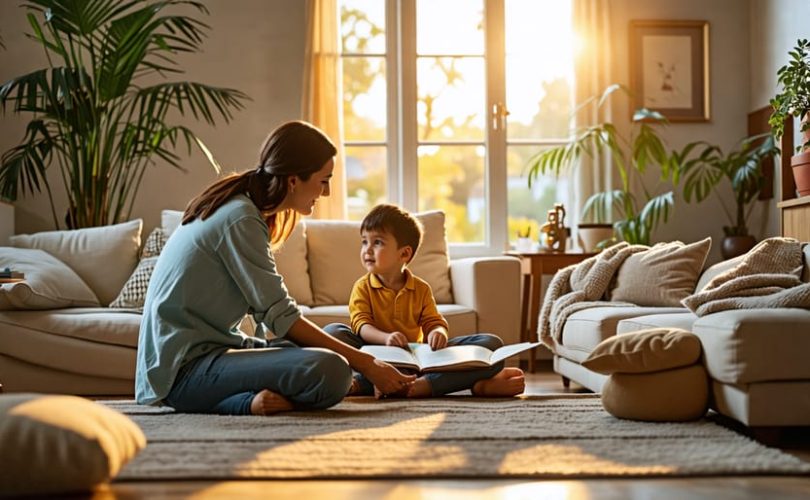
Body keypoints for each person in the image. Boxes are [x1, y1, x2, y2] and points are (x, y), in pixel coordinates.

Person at [135, 121, 415, 415]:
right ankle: (245, 402)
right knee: (332, 368)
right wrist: (367, 363)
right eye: (323, 180)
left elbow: (272, 318)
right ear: (293, 180)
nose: (328, 191)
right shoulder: (240, 218)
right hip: (184, 371)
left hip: (218, 350)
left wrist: (358, 359)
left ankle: (283, 391)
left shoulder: (245, 209)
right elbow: (281, 317)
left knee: (339, 334)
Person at [324, 204, 525, 398]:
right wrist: (385, 338)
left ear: (404, 253)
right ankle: (386, 381)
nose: (367, 250)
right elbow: (361, 325)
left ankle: (422, 384)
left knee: (492, 346)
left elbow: (433, 322)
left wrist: (438, 333)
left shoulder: (420, 288)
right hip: (374, 358)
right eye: (364, 241)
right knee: (333, 333)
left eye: (377, 242)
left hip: (414, 358)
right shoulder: (363, 286)